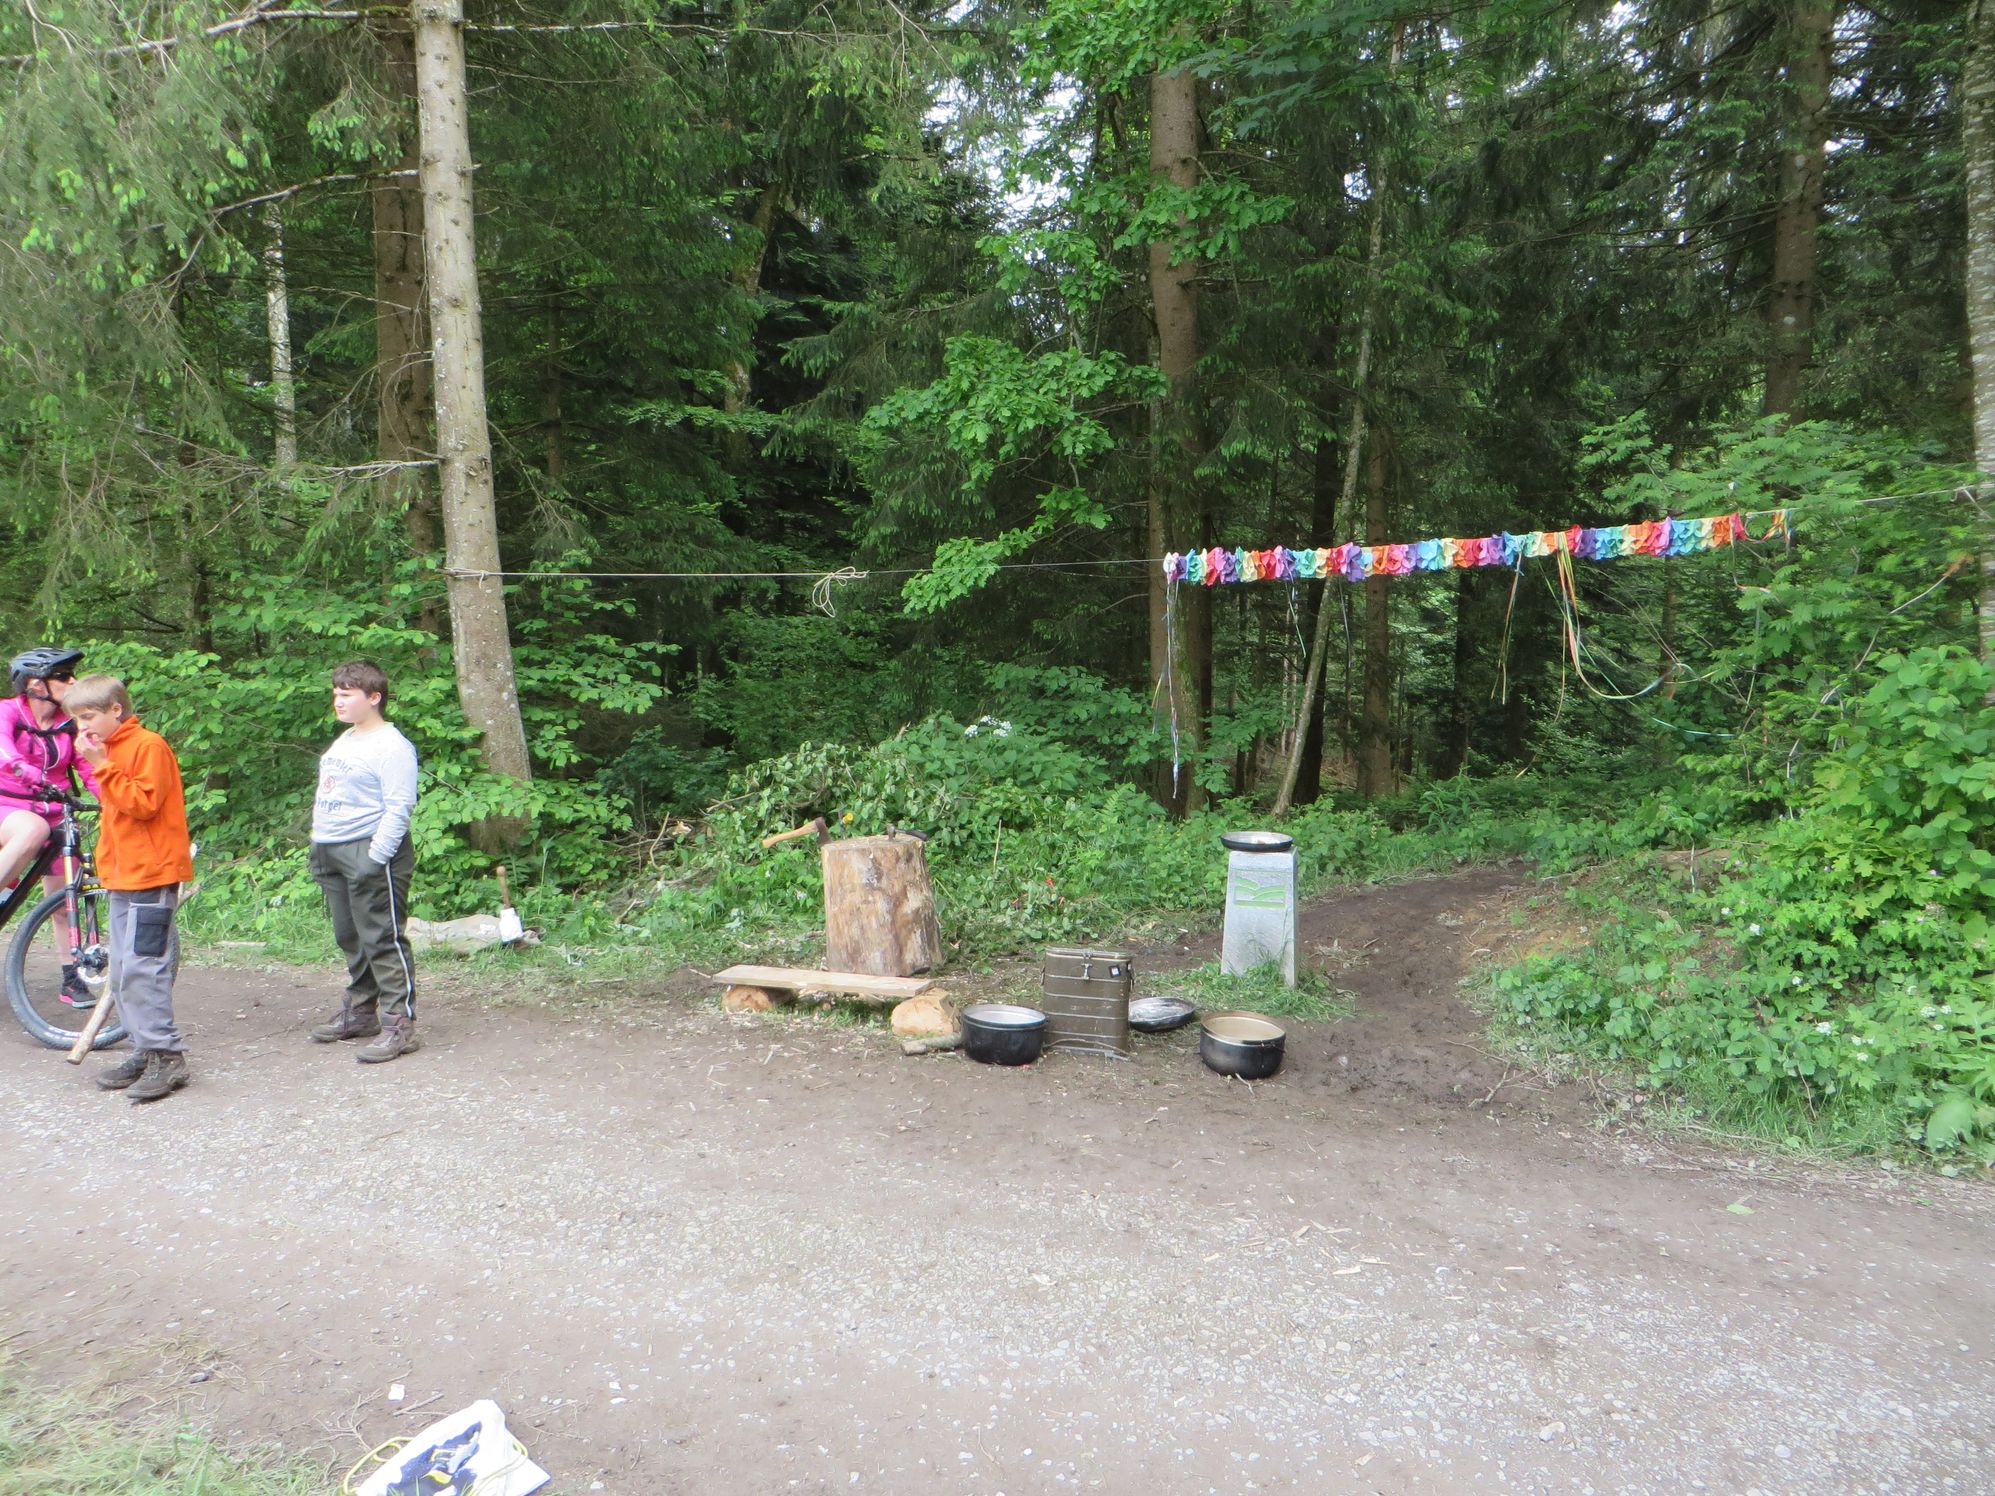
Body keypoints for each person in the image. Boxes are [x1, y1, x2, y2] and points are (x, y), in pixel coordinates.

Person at [68, 674, 194, 1103]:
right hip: (123, 876)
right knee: (122, 970)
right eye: (77, 719)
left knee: (144, 968)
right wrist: (99, 761)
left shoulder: (147, 746)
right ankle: (145, 1049)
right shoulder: (109, 750)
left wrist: (101, 764)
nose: (83, 726)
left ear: (116, 709)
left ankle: (167, 1055)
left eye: (89, 716)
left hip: (151, 875)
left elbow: (143, 804)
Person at [308, 660, 421, 1062]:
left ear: (374, 698)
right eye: (335, 693)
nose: (337, 701)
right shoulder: (348, 738)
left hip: (368, 850)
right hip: (331, 850)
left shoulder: (392, 746)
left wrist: (376, 857)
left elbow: (399, 807)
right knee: (350, 935)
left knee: (381, 937)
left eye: (346, 694)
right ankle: (360, 1011)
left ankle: (399, 1024)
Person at [0, 646, 99, 1007]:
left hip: (55, 814)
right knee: (31, 829)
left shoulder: (69, 725)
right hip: (7, 806)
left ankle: (72, 977)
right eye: (63, 676)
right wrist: (20, 768)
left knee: (62, 899)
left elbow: (91, 770)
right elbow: (2, 746)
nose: (72, 682)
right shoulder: (8, 710)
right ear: (34, 684)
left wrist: (117, 798)